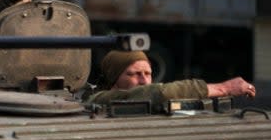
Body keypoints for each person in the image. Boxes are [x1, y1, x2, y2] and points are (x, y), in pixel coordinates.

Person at [84, 50, 257, 106]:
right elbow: (158, 92)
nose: (144, 81)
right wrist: (223, 89)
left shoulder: (148, 99)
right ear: (114, 77)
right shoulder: (99, 99)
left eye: (148, 73)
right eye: (134, 74)